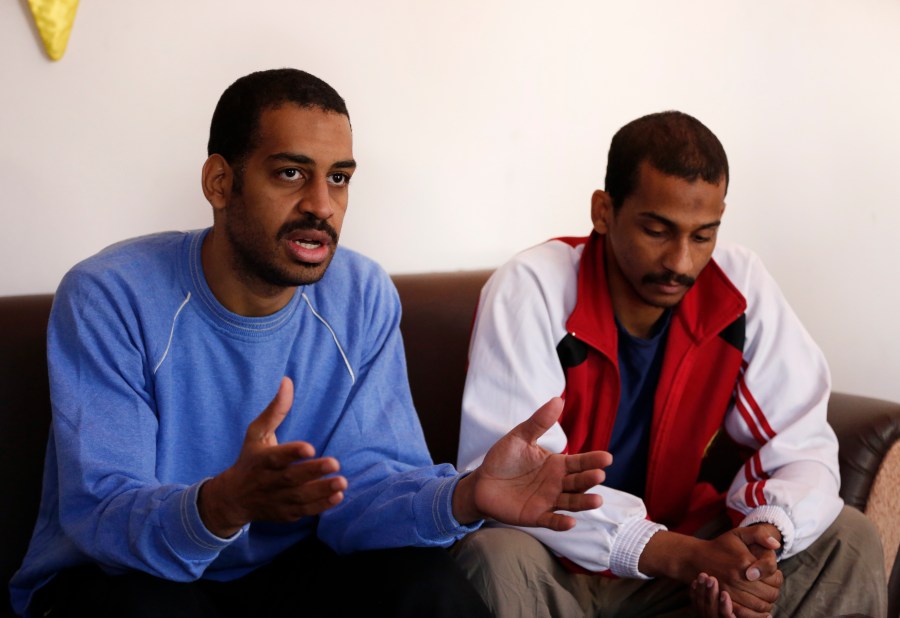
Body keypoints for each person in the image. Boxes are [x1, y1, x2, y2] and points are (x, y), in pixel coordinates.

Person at [8, 68, 613, 618]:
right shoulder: (110, 295)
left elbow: (366, 491)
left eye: (339, 178)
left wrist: (464, 496)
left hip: (286, 570)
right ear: (220, 182)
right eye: (291, 173)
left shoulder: (361, 293)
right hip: (123, 579)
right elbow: (103, 514)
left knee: (425, 585)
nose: (321, 205)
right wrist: (222, 504)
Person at [453, 111, 887, 617]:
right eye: (657, 231)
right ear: (603, 211)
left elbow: (801, 443)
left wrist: (757, 553)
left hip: (685, 554)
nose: (681, 261)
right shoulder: (531, 288)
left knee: (847, 537)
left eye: (703, 236)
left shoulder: (740, 286)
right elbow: (514, 483)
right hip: (555, 563)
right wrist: (680, 555)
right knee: (494, 555)